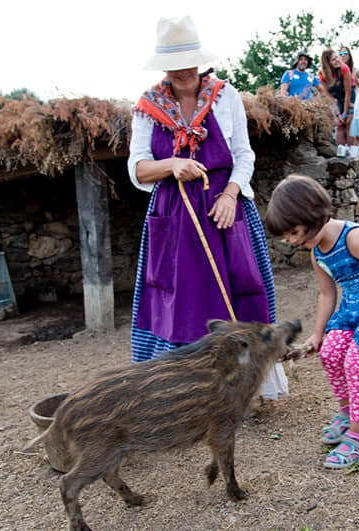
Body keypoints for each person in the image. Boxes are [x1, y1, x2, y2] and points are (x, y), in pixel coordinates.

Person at [127, 16, 288, 400]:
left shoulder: (224, 96)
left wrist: (231, 194)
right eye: (175, 61)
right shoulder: (149, 107)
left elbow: (244, 155)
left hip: (224, 209)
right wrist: (172, 165)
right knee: (180, 301)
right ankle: (185, 390)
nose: (184, 70)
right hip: (175, 217)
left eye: (189, 60)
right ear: (163, 65)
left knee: (239, 289)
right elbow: (137, 168)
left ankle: (246, 384)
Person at [264, 175, 359, 468]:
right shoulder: (317, 252)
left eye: (295, 232)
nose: (294, 241)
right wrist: (318, 333)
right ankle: (348, 414)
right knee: (331, 353)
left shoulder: (354, 238)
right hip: (351, 309)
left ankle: (358, 440)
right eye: (288, 237)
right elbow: (326, 293)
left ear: (313, 213)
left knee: (354, 364)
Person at [318, 48, 353, 157]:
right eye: (333, 60)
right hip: (334, 99)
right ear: (327, 63)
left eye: (337, 57)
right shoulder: (321, 75)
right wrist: (338, 114)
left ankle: (351, 151)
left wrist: (345, 113)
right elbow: (328, 96)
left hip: (348, 97)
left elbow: (348, 93)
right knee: (339, 124)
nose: (337, 60)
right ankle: (340, 152)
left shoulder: (345, 69)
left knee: (348, 122)